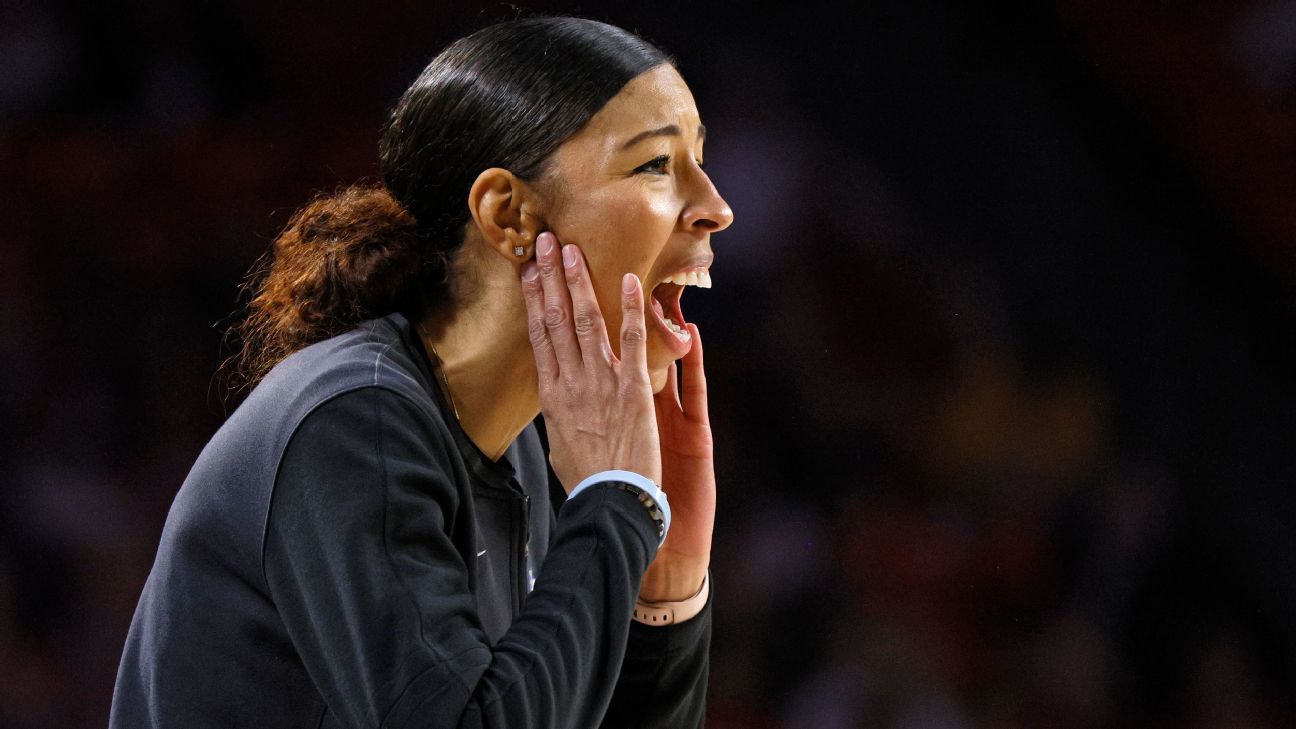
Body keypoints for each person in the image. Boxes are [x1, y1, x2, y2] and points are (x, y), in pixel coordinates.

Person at [109, 15, 734, 729]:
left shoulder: (528, 448)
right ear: (508, 214)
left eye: (701, 162)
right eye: (655, 164)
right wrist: (616, 506)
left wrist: (664, 592)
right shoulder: (353, 422)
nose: (716, 207)